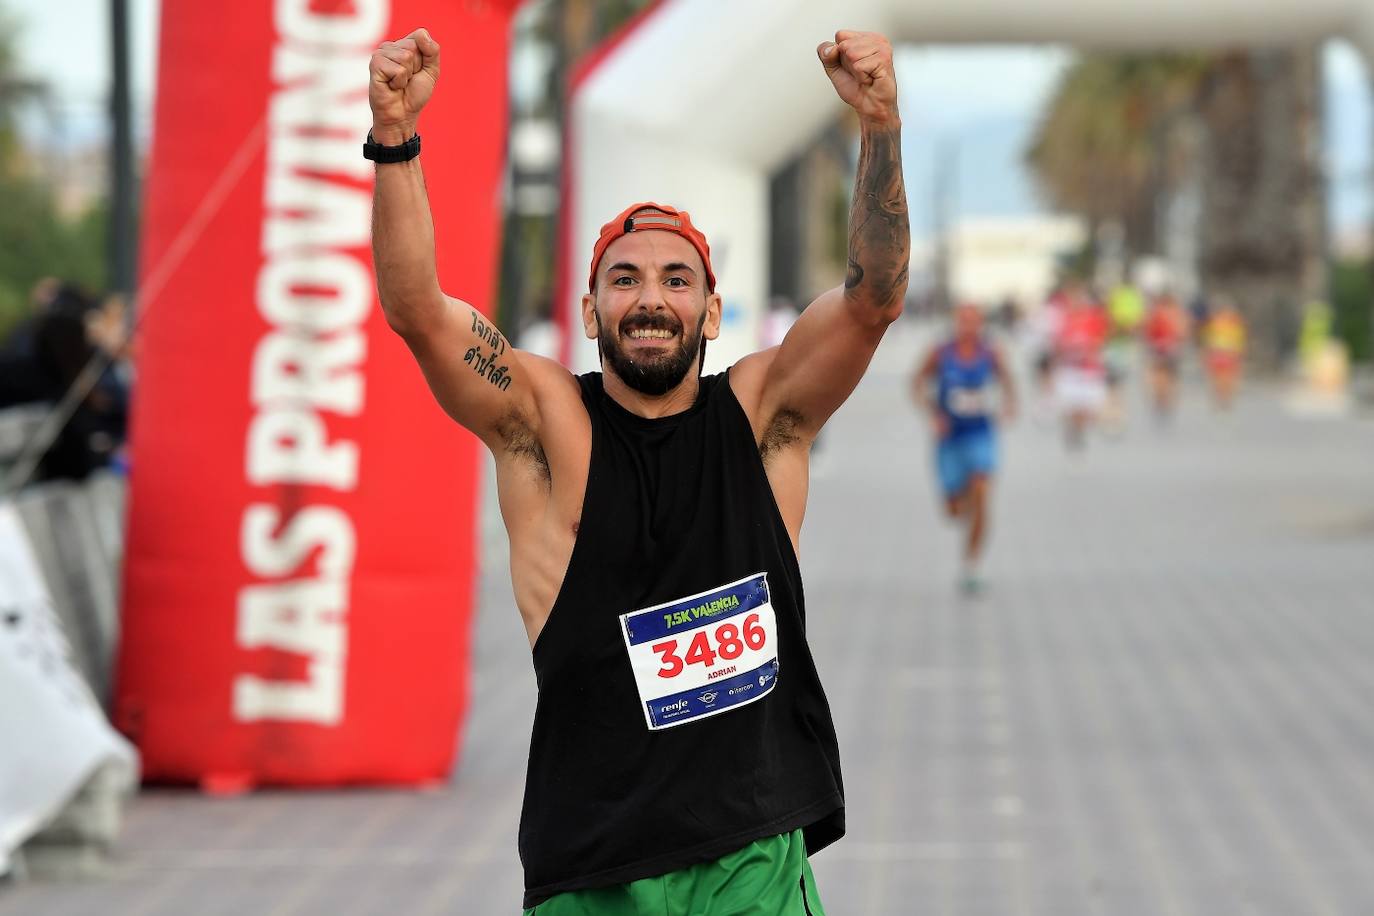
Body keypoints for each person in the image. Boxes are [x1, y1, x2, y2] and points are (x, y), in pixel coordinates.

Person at [367, 27, 909, 915]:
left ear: (711, 309)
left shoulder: (765, 416)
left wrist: (880, 123)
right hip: (594, 866)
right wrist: (394, 134)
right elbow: (418, 309)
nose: (650, 297)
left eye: (675, 280)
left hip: (751, 857)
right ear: (590, 310)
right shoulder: (543, 426)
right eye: (624, 280)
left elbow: (874, 297)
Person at [911, 303, 1017, 594]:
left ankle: (972, 564)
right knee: (955, 511)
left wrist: (1009, 405)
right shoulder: (941, 352)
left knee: (983, 490)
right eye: (964, 321)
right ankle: (965, 500)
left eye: (974, 321)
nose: (969, 327)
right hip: (949, 439)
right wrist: (932, 415)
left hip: (980, 433)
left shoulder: (990, 352)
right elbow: (916, 382)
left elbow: (1007, 379)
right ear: (956, 323)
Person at [1051, 282, 1109, 450]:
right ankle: (1073, 432)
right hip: (1070, 370)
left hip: (1089, 370)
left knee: (1088, 410)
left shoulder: (1094, 318)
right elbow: (1058, 345)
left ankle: (1078, 431)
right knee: (1071, 408)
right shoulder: (1064, 319)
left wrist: (1089, 350)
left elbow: (1100, 342)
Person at [1142, 290, 1189, 421]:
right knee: (1170, 376)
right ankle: (1167, 401)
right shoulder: (1178, 313)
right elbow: (1183, 332)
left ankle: (1161, 399)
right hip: (1171, 348)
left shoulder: (1156, 312)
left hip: (1159, 348)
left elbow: (1147, 331)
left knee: (1160, 375)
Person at [1202, 296, 1246, 409]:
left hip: (1230, 353)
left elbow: (1240, 338)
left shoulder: (1235, 322)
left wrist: (1239, 350)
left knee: (1228, 378)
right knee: (1218, 378)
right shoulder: (1214, 322)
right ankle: (1220, 398)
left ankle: (1226, 398)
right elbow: (1208, 338)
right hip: (1218, 353)